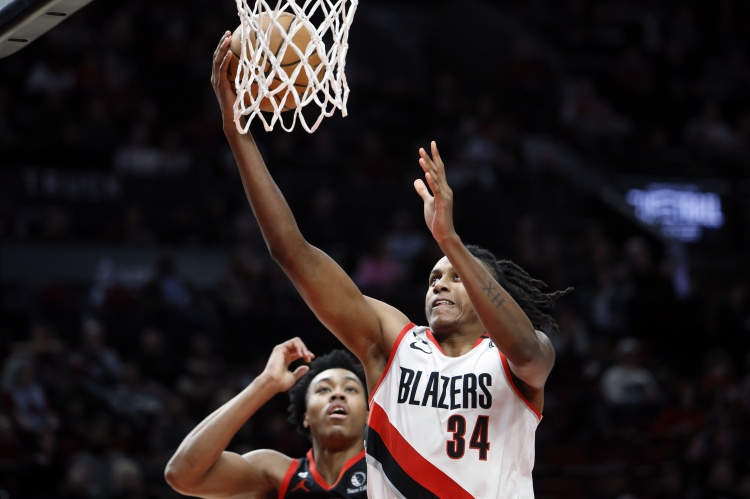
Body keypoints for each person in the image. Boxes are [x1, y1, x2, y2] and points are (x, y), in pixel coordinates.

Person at [211, 32, 573, 498]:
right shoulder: (395, 344)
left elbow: (525, 349)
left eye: (456, 277)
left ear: (489, 293)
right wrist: (237, 133)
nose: (439, 284)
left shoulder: (519, 358)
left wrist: (450, 241)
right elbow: (291, 252)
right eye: (434, 277)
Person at [164, 337, 369, 498]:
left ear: (368, 415)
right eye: (324, 389)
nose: (337, 394)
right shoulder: (276, 472)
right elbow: (182, 475)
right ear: (306, 415)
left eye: (350, 389)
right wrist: (266, 383)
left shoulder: (384, 467)